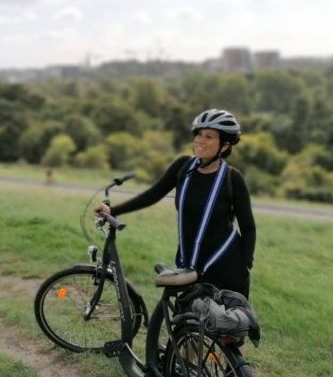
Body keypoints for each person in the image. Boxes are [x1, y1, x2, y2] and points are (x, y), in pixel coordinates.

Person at [95, 108, 256, 297]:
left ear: (225, 146)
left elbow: (248, 228)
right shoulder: (183, 166)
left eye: (209, 137)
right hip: (189, 261)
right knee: (181, 320)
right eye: (199, 134)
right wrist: (113, 210)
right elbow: (153, 195)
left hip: (225, 265)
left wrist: (245, 264)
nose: (200, 140)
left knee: (228, 324)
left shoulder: (232, 178)